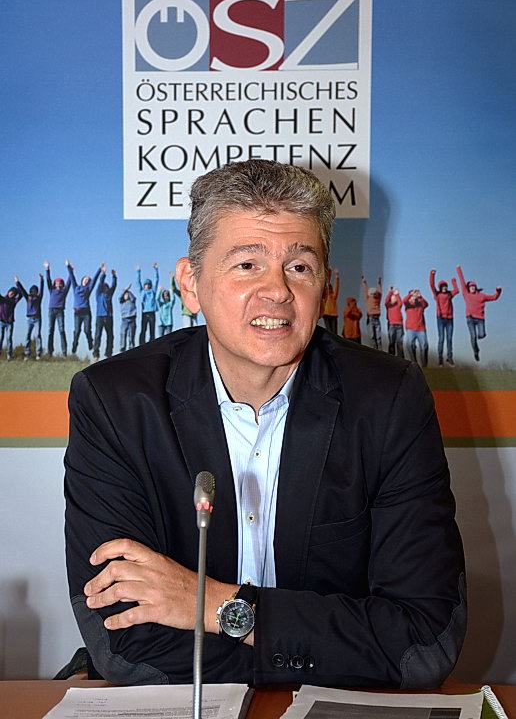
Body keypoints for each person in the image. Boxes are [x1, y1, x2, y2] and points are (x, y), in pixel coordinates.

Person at [65, 160, 465, 690]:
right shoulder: (114, 402)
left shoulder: (389, 399)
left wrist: (215, 605)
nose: (277, 290)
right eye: (247, 264)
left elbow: (422, 642)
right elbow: (124, 643)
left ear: (325, 285)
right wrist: (325, 646)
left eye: (299, 266)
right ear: (191, 283)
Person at [456, 265, 502, 362]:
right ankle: (476, 352)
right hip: (470, 318)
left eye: (473, 286)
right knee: (473, 337)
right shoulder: (466, 294)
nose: (472, 288)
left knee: (481, 334)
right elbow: (462, 281)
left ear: (475, 287)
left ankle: (481, 336)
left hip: (480, 318)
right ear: (468, 288)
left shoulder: (482, 296)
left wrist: (498, 291)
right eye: (470, 287)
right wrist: (458, 269)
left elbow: (494, 297)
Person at [68, 261, 101, 355]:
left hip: (86, 312)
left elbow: (94, 280)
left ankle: (90, 342)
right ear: (82, 280)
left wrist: (99, 269)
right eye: (85, 279)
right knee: (77, 331)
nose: (86, 280)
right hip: (77, 313)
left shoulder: (88, 289)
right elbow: (72, 277)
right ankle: (74, 346)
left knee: (87, 330)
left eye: (88, 280)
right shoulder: (76, 287)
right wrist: (69, 268)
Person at [429, 270, 459, 367]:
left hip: (450, 319)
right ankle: (440, 359)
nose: (445, 288)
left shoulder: (449, 294)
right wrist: (432, 274)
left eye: (446, 286)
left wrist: (453, 281)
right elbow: (431, 285)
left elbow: (457, 290)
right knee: (441, 338)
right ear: (440, 288)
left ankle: (449, 358)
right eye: (443, 286)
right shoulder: (437, 295)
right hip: (440, 319)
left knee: (449, 339)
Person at [15, 273, 44, 360]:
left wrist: (41, 280)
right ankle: (27, 354)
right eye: (32, 291)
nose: (33, 292)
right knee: (28, 336)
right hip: (29, 319)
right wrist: (17, 282)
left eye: (35, 291)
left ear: (37, 292)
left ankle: (38, 354)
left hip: (37, 318)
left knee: (38, 335)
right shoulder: (27, 297)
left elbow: (42, 289)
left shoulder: (38, 298)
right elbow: (22, 290)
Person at [44, 261, 71, 357]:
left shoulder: (64, 291)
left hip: (60, 311)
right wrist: (47, 269)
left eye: (60, 283)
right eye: (56, 283)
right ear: (54, 284)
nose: (58, 284)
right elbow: (48, 280)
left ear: (62, 284)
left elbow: (69, 281)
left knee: (61, 330)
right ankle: (50, 352)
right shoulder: (52, 290)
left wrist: (70, 269)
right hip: (51, 311)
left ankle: (64, 352)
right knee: (50, 330)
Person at [92, 266, 117, 362]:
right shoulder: (99, 294)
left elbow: (114, 285)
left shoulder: (109, 294)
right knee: (98, 335)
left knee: (110, 335)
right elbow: (100, 283)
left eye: (106, 287)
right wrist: (103, 274)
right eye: (103, 287)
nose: (105, 288)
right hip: (100, 316)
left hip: (109, 316)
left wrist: (114, 276)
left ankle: (108, 354)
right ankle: (96, 354)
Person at [403, 289, 429, 367]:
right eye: (412, 295)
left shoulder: (420, 304)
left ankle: (424, 365)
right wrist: (411, 294)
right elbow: (404, 300)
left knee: (424, 346)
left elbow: (426, 304)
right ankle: (414, 362)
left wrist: (420, 296)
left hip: (421, 329)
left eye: (415, 294)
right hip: (410, 329)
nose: (414, 296)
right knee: (409, 345)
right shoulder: (408, 305)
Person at [136, 264, 159, 344]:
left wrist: (156, 270)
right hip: (144, 313)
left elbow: (156, 280)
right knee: (143, 329)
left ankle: (152, 344)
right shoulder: (142, 292)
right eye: (146, 284)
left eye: (149, 284)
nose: (147, 286)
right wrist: (138, 271)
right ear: (144, 285)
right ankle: (141, 344)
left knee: (152, 330)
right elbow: (138, 283)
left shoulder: (153, 291)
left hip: (152, 312)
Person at [0, 284, 22, 360]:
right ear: (8, 292)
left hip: (9, 323)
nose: (11, 294)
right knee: (0, 337)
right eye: (11, 292)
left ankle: (9, 355)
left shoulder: (14, 301)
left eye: (13, 294)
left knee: (9, 338)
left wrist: (17, 283)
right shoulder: (2, 299)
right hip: (1, 321)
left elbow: (21, 294)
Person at [361, 275, 382, 349]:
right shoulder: (368, 298)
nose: (373, 295)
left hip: (377, 319)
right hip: (370, 319)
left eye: (374, 293)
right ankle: (374, 350)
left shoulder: (378, 299)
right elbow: (365, 290)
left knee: (378, 338)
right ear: (370, 294)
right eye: (372, 293)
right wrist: (364, 282)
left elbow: (380, 292)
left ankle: (380, 351)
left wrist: (379, 283)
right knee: (372, 337)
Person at [384, 287, 404, 358]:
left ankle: (401, 358)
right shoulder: (388, 305)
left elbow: (400, 302)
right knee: (392, 342)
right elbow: (386, 301)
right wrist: (390, 292)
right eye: (393, 297)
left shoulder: (398, 305)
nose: (394, 298)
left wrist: (397, 294)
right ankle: (391, 357)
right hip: (391, 325)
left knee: (399, 342)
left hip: (399, 325)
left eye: (395, 298)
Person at [119, 286, 137, 353]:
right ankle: (122, 349)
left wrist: (128, 291)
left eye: (127, 295)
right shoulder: (122, 302)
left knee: (131, 335)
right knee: (123, 334)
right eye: (125, 295)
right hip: (124, 320)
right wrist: (125, 290)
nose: (126, 296)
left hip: (132, 319)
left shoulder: (132, 301)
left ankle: (131, 349)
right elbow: (120, 297)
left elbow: (133, 298)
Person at [321, 268, 339, 333]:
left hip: (334, 315)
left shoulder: (333, 296)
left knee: (334, 333)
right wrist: (329, 272)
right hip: (326, 314)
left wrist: (337, 276)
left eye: (331, 288)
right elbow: (326, 283)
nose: (330, 289)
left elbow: (336, 287)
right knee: (329, 331)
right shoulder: (325, 295)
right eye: (329, 288)